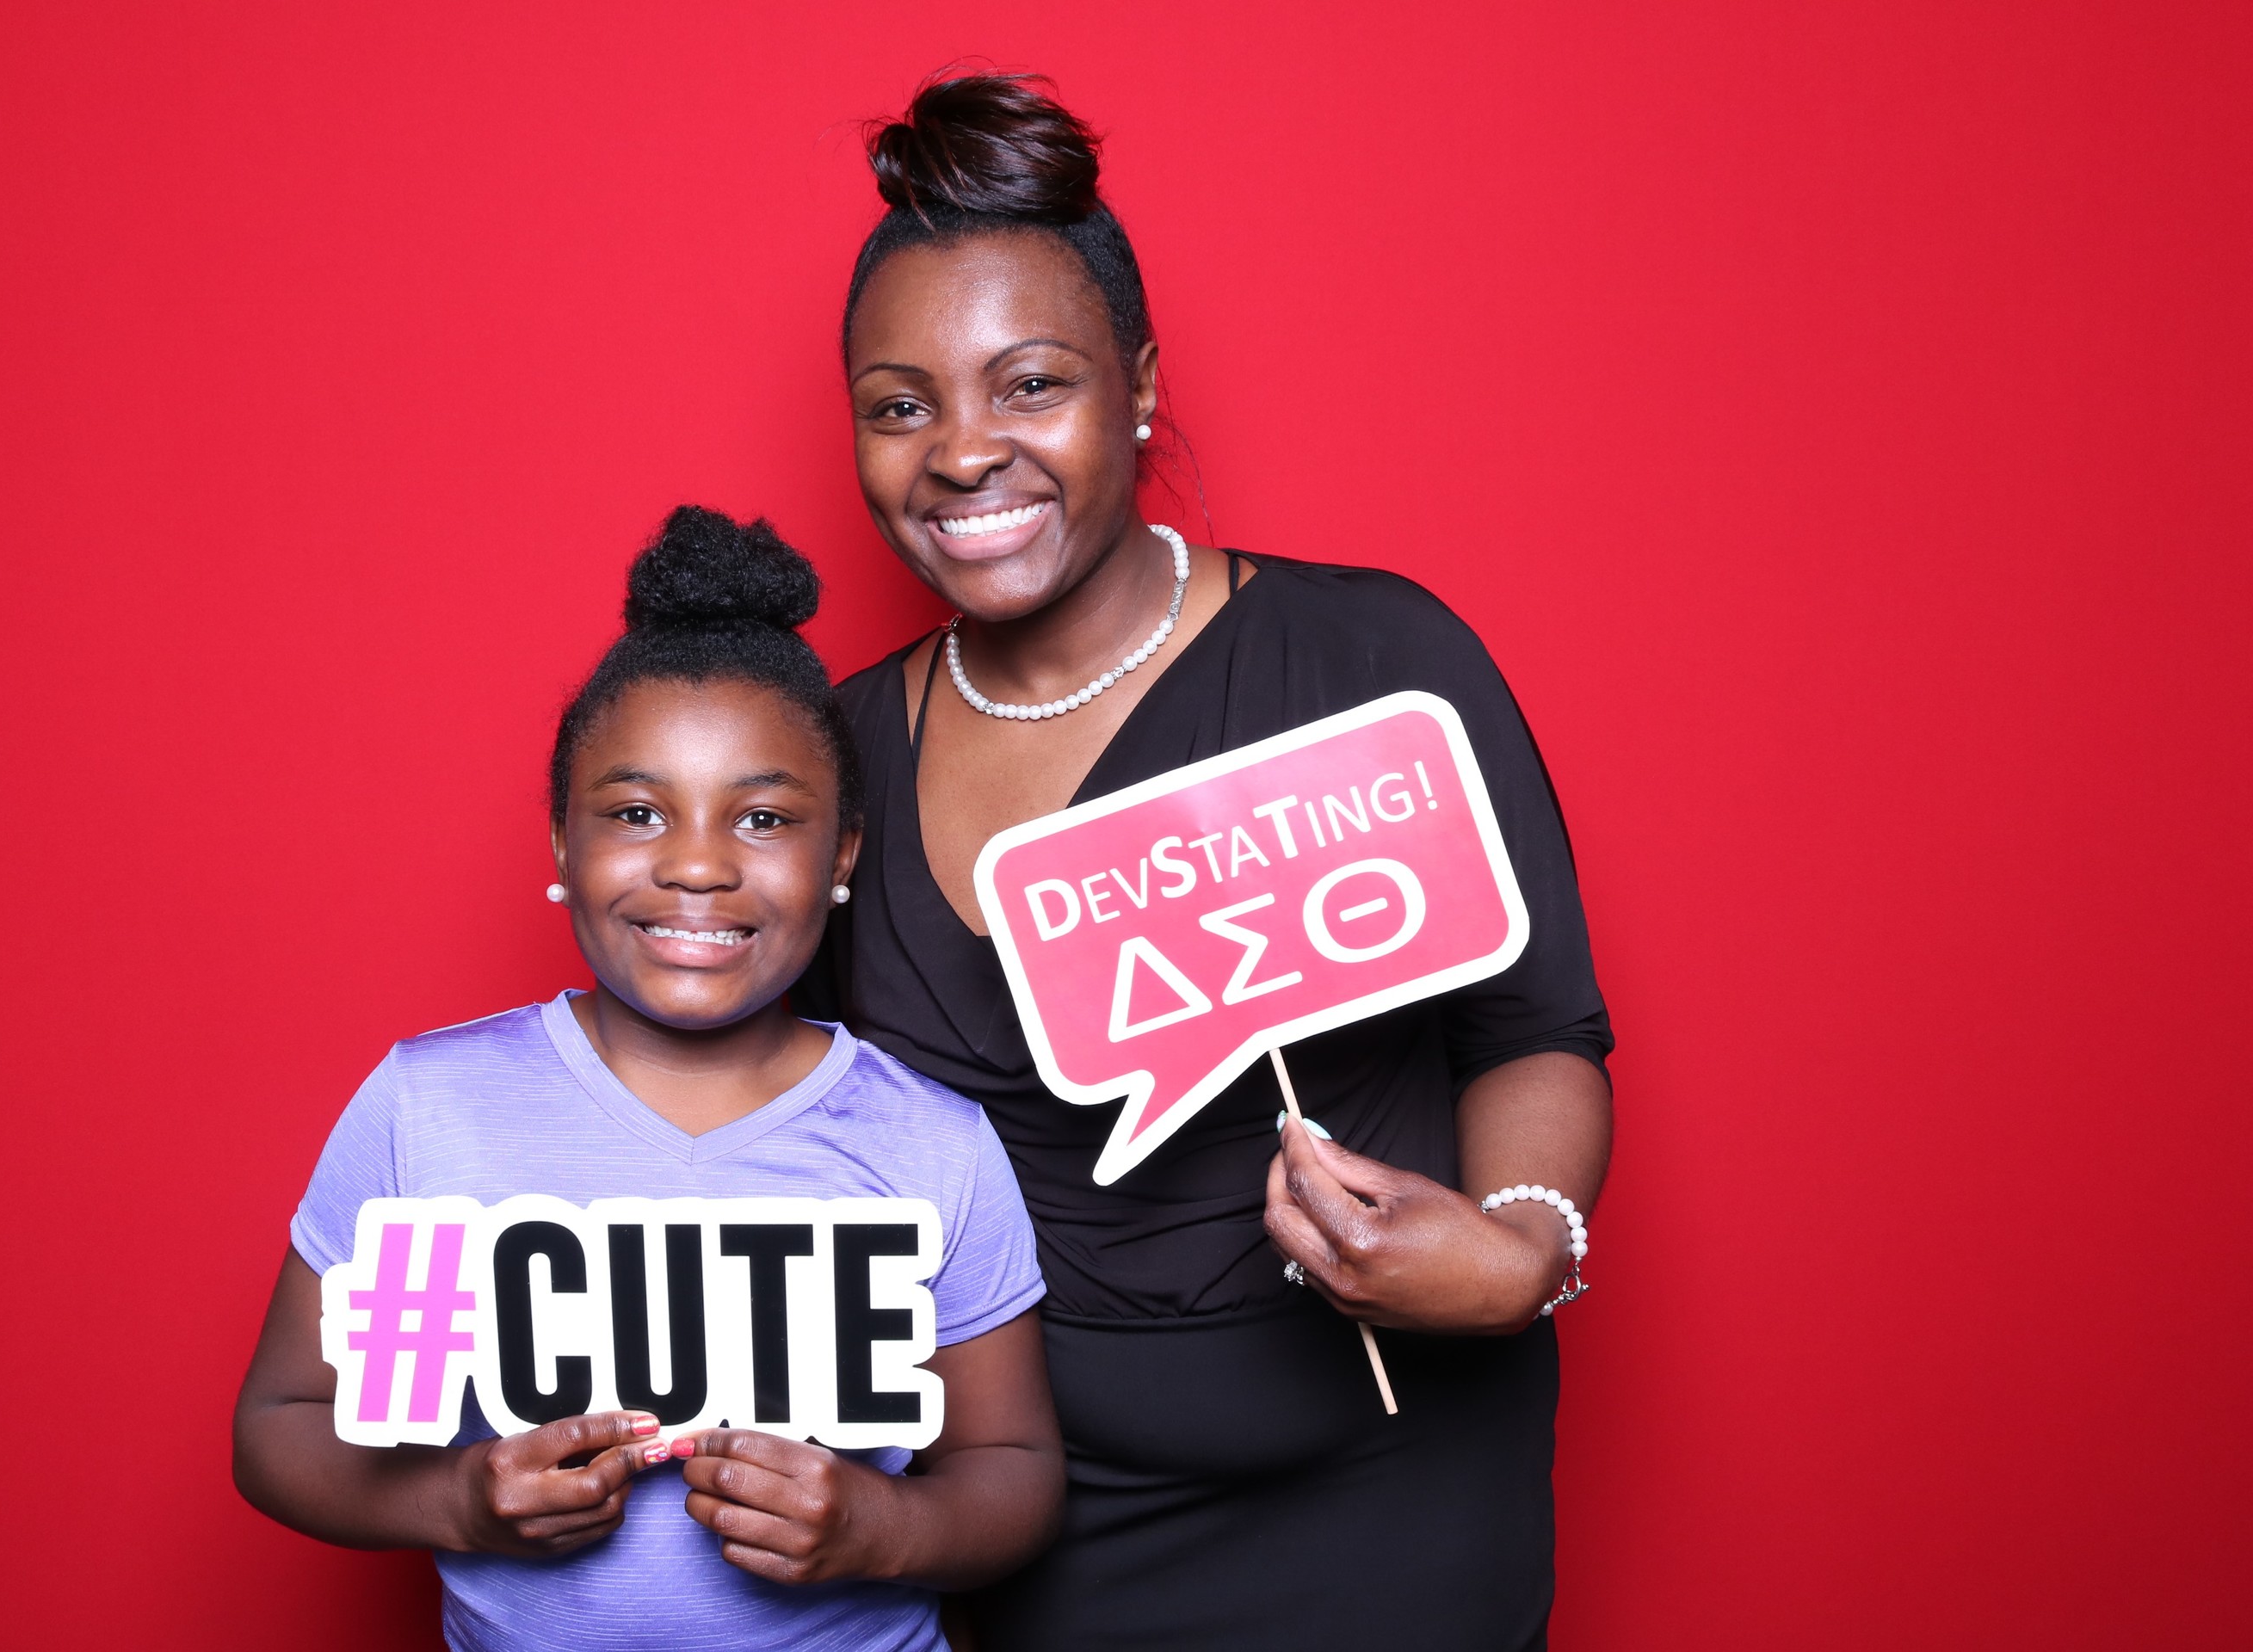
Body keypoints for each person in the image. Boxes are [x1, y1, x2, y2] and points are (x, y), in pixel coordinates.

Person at [799, 75, 1614, 1649]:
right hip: (1033, 1529)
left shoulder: (1373, 658)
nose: (962, 453)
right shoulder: (837, 758)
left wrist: (1522, 1249)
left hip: (1393, 1509)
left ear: (1141, 388)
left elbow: (1536, 1030)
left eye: (1031, 385)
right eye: (900, 407)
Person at [232, 507, 1065, 1652]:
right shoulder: (434, 1117)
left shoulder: (929, 1144)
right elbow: (286, 1423)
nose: (697, 864)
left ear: (842, 854)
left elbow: (1011, 1465)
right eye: (635, 813)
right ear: (562, 844)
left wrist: (883, 1526)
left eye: (763, 817)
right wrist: (453, 1499)